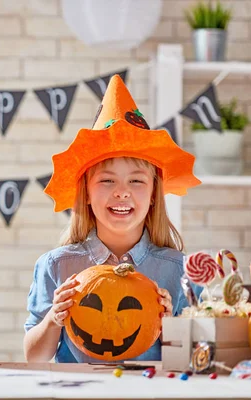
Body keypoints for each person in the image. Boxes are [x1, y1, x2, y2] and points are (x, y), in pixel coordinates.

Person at [23, 75, 201, 363]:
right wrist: (54, 320)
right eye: (107, 181)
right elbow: (34, 357)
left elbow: (195, 361)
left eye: (136, 181)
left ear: (154, 193)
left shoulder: (179, 271)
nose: (121, 193)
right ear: (87, 193)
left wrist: (172, 328)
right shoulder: (57, 265)